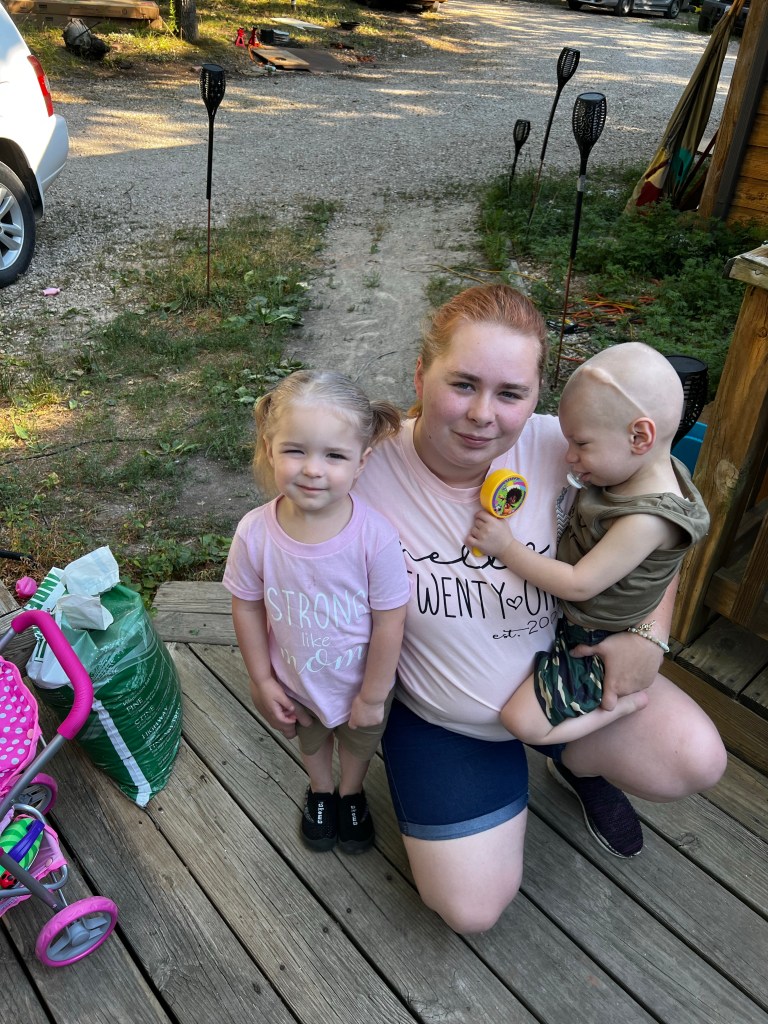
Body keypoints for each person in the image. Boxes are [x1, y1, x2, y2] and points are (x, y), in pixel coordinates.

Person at [253, 285, 726, 934]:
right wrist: (281, 673)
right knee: (470, 908)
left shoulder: (571, 451)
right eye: (463, 384)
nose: (483, 415)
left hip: (567, 674)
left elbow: (660, 522)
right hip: (445, 719)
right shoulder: (364, 464)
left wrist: (650, 633)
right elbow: (282, 548)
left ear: (536, 397)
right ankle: (470, 778)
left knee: (696, 759)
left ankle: (578, 763)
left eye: (510, 393)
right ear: (421, 375)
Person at [467, 342, 710, 746]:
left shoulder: (646, 520)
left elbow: (579, 583)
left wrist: (505, 547)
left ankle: (622, 707)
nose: (569, 456)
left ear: (640, 436)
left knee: (523, 722)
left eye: (581, 444)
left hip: (594, 640)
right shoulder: (638, 470)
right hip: (577, 625)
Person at [223, 370, 410, 855]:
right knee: (312, 741)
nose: (312, 469)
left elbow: (390, 620)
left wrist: (373, 694)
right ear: (270, 449)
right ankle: (321, 791)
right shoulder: (254, 533)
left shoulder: (374, 537)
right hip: (296, 681)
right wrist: (261, 679)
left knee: (358, 744)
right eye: (295, 450)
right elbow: (245, 605)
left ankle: (351, 793)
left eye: (334, 456)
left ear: (361, 461)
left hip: (360, 685)